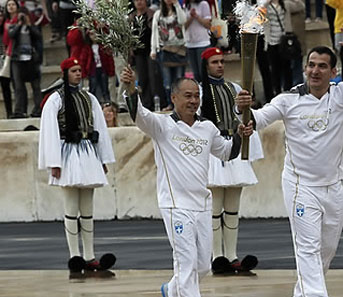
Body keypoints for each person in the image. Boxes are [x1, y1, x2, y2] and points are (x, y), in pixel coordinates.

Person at [235, 24, 343, 296]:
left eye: (322, 66)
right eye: (311, 65)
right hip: (301, 186)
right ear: (304, 68)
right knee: (308, 247)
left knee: (325, 250)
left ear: (333, 72)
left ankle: (304, 292)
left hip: (334, 186)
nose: (315, 71)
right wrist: (243, 111)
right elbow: (258, 119)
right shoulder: (288, 99)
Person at [120, 67, 254, 297]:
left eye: (196, 96)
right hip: (175, 205)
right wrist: (131, 88)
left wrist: (241, 134)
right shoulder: (161, 126)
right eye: (187, 96)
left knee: (202, 265)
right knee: (186, 262)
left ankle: (171, 290)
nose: (193, 101)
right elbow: (138, 114)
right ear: (173, 98)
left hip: (201, 205)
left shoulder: (207, 128)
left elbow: (226, 153)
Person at [38, 57, 116, 273]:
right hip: (67, 153)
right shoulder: (55, 99)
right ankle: (74, 255)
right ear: (65, 73)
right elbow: (50, 133)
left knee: (87, 208)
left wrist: (102, 159)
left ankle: (90, 256)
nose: (78, 74)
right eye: (73, 70)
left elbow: (99, 129)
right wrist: (54, 162)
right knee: (71, 207)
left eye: (80, 70)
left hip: (87, 152)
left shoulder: (88, 98)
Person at [199, 47, 264, 274]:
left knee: (233, 206)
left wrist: (241, 108)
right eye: (215, 62)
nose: (220, 65)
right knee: (215, 207)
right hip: (215, 150)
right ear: (206, 65)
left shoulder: (234, 88)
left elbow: (244, 118)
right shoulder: (200, 91)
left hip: (233, 146)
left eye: (222, 62)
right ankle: (216, 255)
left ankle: (232, 255)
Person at [8, 5, 44, 118]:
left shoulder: (33, 27)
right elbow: (11, 35)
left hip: (32, 60)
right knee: (19, 87)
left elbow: (38, 36)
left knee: (36, 86)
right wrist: (19, 24)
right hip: (17, 60)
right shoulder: (14, 26)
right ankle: (20, 111)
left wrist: (29, 24)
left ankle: (38, 109)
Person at [151, 0, 187, 105]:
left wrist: (176, 4)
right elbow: (155, 32)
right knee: (167, 81)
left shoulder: (179, 12)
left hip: (179, 49)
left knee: (179, 79)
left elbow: (182, 21)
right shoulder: (158, 14)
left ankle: (180, 104)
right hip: (164, 50)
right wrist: (153, 49)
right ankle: (170, 103)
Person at [183, 0, 211, 82]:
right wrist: (191, 18)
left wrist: (196, 16)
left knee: (203, 72)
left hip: (202, 43)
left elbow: (208, 24)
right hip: (190, 43)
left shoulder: (203, 4)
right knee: (195, 74)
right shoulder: (185, 6)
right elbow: (183, 27)